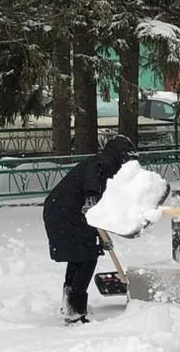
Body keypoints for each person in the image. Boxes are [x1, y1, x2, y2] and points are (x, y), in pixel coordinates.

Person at [43, 134, 138, 325]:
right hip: (67, 213)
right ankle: (75, 311)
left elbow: (100, 209)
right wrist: (91, 196)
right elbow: (93, 176)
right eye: (128, 158)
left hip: (62, 211)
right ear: (120, 155)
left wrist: (101, 234)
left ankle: (71, 305)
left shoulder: (109, 169)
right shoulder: (104, 163)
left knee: (79, 257)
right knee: (86, 258)